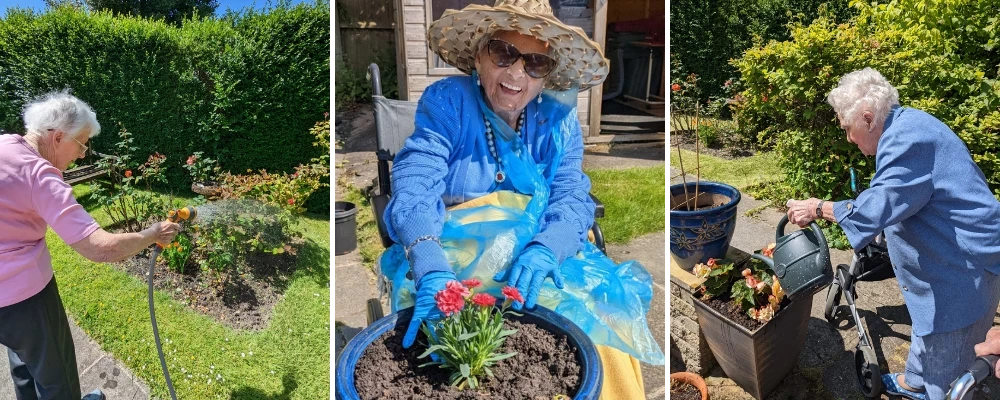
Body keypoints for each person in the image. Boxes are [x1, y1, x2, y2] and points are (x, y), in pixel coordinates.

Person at [378, 0, 663, 397]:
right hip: (451, 257)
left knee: (603, 332)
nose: (516, 73)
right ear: (479, 57)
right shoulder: (448, 102)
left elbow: (571, 196)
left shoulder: (558, 123)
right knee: (445, 361)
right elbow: (415, 178)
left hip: (532, 254)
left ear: (547, 76)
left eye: (535, 63)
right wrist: (427, 258)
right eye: (503, 53)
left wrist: (548, 248)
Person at [785, 68, 1000, 400]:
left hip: (961, 276)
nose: (848, 139)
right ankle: (915, 382)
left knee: (947, 370)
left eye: (847, 129)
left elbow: (875, 209)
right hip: (946, 265)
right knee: (926, 329)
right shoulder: (907, 125)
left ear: (868, 118)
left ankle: (933, 389)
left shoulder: (906, 140)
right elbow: (905, 198)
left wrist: (816, 207)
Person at [0, 91, 180, 400]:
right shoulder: (39, 176)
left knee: (24, 365)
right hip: (25, 300)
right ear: (57, 137)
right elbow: (100, 247)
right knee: (57, 378)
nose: (83, 154)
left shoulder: (4, 145)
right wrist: (151, 234)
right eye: (82, 143)